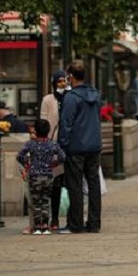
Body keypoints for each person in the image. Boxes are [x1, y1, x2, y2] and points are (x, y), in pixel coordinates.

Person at [58, 62, 103, 234]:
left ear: (71, 76)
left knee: (75, 186)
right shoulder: (95, 94)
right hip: (94, 145)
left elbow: (66, 124)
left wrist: (62, 145)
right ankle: (94, 223)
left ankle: (76, 223)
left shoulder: (71, 97)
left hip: (76, 147)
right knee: (94, 185)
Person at [16, 118, 66, 235]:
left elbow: (19, 156)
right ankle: (45, 225)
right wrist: (54, 164)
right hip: (48, 175)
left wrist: (27, 164)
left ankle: (37, 226)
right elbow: (63, 156)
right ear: (48, 131)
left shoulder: (30, 144)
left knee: (36, 201)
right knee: (45, 200)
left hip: (34, 176)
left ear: (35, 131)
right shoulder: (52, 144)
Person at [39, 70, 70, 230]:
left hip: (69, 145)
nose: (62, 84)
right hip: (53, 145)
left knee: (70, 182)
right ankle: (55, 218)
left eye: (64, 81)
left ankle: (72, 217)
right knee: (56, 183)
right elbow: (44, 120)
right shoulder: (48, 99)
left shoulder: (71, 98)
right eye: (59, 81)